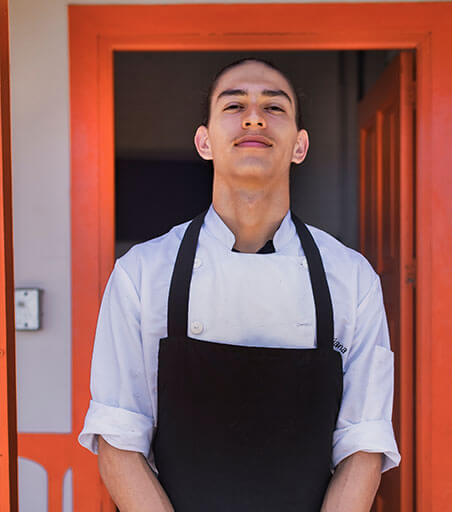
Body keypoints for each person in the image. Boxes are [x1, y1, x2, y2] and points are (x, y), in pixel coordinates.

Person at [78, 57, 400, 511]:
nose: (254, 117)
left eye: (274, 107)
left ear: (300, 146)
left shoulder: (352, 279)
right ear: (204, 141)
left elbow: (363, 442)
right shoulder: (142, 274)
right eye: (234, 106)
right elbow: (118, 440)